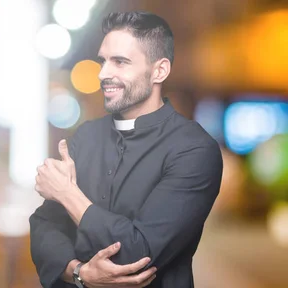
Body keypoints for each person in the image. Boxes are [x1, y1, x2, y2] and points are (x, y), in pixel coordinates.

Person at [30, 11, 223, 288]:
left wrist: (67, 194)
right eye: (103, 61)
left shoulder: (194, 150)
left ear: (160, 70)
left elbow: (138, 253)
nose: (103, 73)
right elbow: (44, 226)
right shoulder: (86, 137)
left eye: (120, 62)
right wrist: (79, 272)